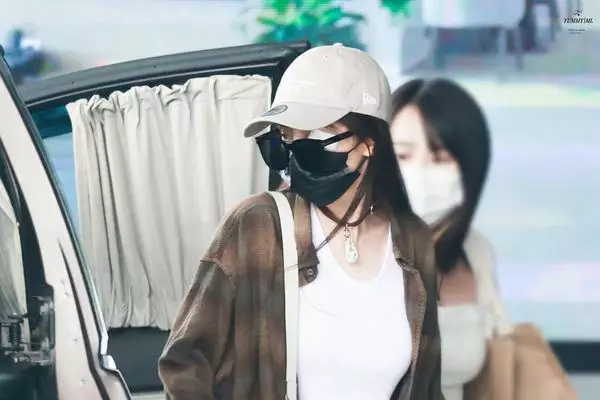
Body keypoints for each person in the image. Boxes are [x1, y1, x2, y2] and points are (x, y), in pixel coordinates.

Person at [159, 44, 444, 400]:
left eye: (317, 135)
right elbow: (184, 364)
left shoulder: (414, 241)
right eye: (287, 138)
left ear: (369, 144)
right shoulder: (256, 226)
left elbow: (427, 386)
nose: (296, 151)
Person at [390, 78, 510, 400]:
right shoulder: (351, 248)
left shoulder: (475, 251)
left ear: (469, 169)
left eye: (440, 158)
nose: (419, 173)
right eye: (402, 155)